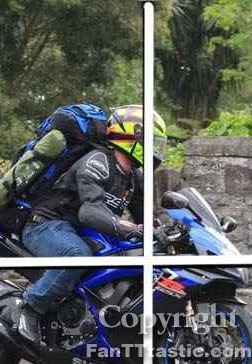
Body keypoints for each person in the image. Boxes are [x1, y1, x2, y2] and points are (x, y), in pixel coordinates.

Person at [17, 104, 168, 345]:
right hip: (46, 224)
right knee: (77, 255)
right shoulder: (98, 162)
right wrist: (132, 229)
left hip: (78, 230)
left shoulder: (134, 177)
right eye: (151, 142)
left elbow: (145, 218)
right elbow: (89, 212)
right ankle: (30, 308)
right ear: (132, 138)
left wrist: (163, 232)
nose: (155, 150)